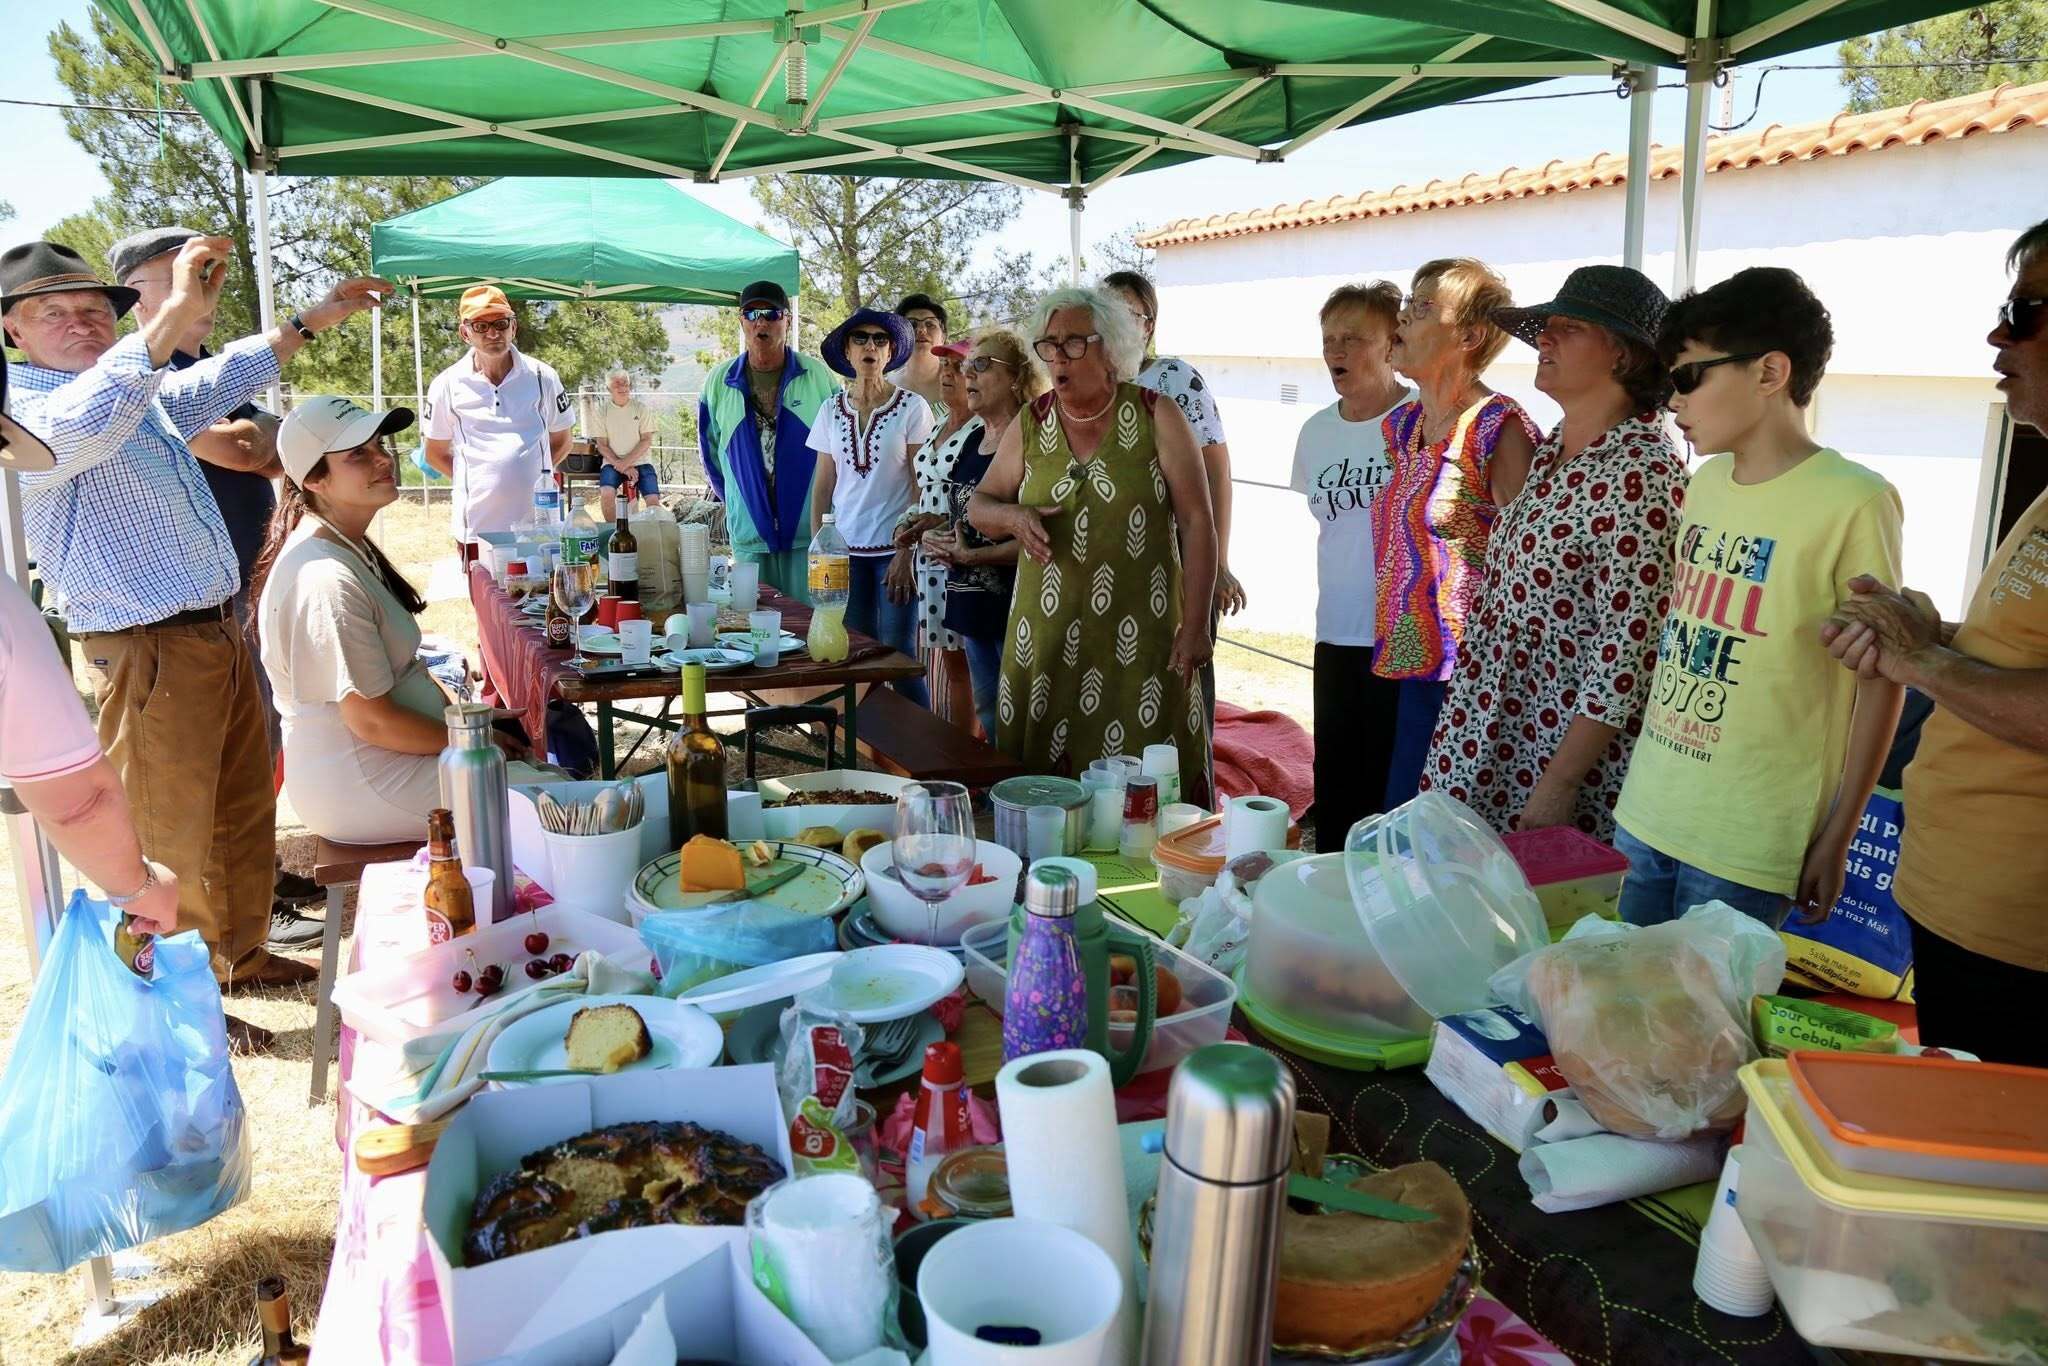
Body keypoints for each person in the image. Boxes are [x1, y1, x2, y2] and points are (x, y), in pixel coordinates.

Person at [2, 236, 386, 997]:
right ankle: (174, 1000)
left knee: (240, 813)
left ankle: (237, 958)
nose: (83, 322)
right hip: (149, 646)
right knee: (164, 835)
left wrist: (310, 321)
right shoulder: (32, 410)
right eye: (55, 312)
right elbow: (86, 423)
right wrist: (171, 315)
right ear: (11, 330)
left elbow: (218, 378)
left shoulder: (125, 389)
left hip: (210, 630)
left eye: (94, 309)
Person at [1819, 220, 2048, 1066]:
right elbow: (2019, 652)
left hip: (2019, 948)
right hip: (1960, 914)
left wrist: (1921, 660)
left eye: (2024, 312)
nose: (1997, 335)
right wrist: (1922, 632)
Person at [1614, 267, 1904, 928]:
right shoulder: (1707, 482)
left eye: (1688, 377)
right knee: (1615, 1007)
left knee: (1705, 1026)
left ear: (1771, 373)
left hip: (1747, 837)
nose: (1672, 401)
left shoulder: (1855, 499)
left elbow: (1882, 682)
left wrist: (1839, 834)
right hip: (1650, 807)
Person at [110, 225, 324, 952]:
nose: (199, 289)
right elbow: (250, 447)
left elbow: (276, 447)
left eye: (207, 275)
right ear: (132, 294)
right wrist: (265, 442)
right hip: (171, 621)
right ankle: (190, 957)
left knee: (248, 758)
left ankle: (247, 918)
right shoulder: (135, 374)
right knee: (179, 800)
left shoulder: (202, 366)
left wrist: (268, 442)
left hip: (230, 597)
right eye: (178, 276)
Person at [1422, 266, 1685, 841]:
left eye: (1568, 328)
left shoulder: (1643, 472)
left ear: (1622, 356)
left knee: (1531, 913)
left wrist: (1560, 783)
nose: (1544, 338)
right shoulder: (1553, 450)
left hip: (1550, 749)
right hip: (1490, 722)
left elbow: (1628, 651)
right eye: (1547, 327)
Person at [255, 397, 550, 843]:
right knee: (558, 805)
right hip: (364, 783)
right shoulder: (324, 578)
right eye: (358, 454)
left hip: (384, 763)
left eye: (379, 444)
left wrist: (469, 720)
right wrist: (471, 740)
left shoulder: (340, 545)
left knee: (551, 786)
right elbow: (372, 721)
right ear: (315, 479)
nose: (382, 459)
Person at [967, 286, 1215, 805]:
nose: (1058, 356)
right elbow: (980, 506)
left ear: (1112, 350)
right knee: (1041, 794)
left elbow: (1197, 521)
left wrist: (1194, 627)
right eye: (1050, 345)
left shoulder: (1156, 414)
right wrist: (1013, 515)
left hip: (1142, 637)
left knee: (1146, 784)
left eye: (1075, 343)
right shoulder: (1030, 423)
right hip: (1046, 637)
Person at [1373, 258, 1541, 808]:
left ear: (1468, 335)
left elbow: (1527, 564)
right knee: (1401, 818)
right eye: (1406, 303)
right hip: (1410, 662)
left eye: (1422, 308)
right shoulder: (1402, 426)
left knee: (1439, 833)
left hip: (1471, 679)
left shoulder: (1500, 427)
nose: (1401, 318)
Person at [1291, 282, 1413, 848]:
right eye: (1328, 339)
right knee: (1337, 783)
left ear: (1393, 343)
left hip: (1409, 636)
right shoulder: (1315, 432)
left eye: (1353, 339)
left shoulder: (1422, 421)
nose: (1335, 352)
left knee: (1393, 791)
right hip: (1336, 629)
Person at [1103, 269, 1245, 738]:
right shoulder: (1089, 385)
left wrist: (1219, 561)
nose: (1118, 323)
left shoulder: (1175, 378)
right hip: (1118, 568)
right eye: (1108, 312)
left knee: (1183, 684)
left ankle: (1190, 799)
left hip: (1182, 561)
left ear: (1149, 325)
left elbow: (1217, 473)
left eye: (1131, 313)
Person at [925, 330, 1045, 740]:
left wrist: (972, 557)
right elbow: (962, 514)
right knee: (991, 715)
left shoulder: (1034, 440)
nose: (966, 373)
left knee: (1024, 720)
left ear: (1015, 377)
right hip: (972, 604)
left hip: (1017, 609)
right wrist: (936, 536)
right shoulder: (974, 437)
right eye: (964, 365)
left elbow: (1041, 535)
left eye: (980, 365)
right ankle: (1000, 797)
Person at [812, 308, 934, 702]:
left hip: (894, 553)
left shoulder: (913, 408)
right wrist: (819, 552)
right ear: (847, 351)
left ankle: (922, 751)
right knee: (855, 652)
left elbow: (923, 485)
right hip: (844, 553)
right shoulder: (831, 409)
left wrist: (906, 550)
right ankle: (867, 747)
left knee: (899, 655)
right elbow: (823, 485)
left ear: (891, 351)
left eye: (880, 340)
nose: (870, 346)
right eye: (860, 338)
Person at [699, 280, 839, 602]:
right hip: (750, 537)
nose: (761, 321)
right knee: (753, 629)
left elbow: (840, 452)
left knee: (810, 626)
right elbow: (711, 457)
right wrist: (739, 501)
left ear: (787, 321)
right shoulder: (719, 383)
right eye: (752, 313)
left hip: (809, 535)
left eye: (771, 313)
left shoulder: (817, 377)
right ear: (741, 321)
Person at [422, 285, 576, 558]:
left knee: (541, 598)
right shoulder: (445, 385)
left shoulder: (543, 376)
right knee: (487, 601)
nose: (493, 333)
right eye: (480, 325)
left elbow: (563, 440)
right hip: (476, 531)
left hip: (538, 528)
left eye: (501, 323)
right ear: (464, 333)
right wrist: (480, 480)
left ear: (513, 328)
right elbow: (434, 453)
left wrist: (535, 477)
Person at [894, 339, 977, 728]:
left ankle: (972, 755)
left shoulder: (985, 429)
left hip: (963, 562)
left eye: (958, 367)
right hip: (930, 562)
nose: (948, 374)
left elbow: (974, 496)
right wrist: (908, 521)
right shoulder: (941, 420)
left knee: (974, 666)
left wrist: (937, 522)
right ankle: (959, 746)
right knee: (950, 664)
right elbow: (927, 489)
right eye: (944, 367)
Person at [587, 369, 658, 520]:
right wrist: (623, 465)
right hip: (613, 463)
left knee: (653, 502)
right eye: (617, 384)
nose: (623, 387)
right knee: (606, 493)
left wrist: (626, 463)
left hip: (642, 462)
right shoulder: (602, 412)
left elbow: (646, 440)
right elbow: (602, 445)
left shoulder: (641, 408)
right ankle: (613, 532)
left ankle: (652, 536)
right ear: (609, 389)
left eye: (625, 383)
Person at [892, 292, 951, 412]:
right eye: (912, 324)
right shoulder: (889, 387)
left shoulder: (962, 383)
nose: (921, 330)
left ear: (943, 336)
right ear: (898, 337)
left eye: (930, 324)